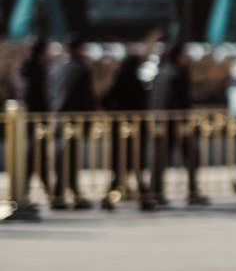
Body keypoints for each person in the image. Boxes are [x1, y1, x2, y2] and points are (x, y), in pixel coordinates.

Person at [148, 43, 208, 206]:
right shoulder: (179, 72)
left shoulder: (161, 71)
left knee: (159, 159)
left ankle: (155, 192)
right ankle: (192, 191)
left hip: (160, 121)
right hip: (177, 123)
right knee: (191, 158)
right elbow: (182, 99)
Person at [47, 34, 96, 209]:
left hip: (57, 117)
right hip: (73, 119)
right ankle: (68, 193)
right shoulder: (80, 68)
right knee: (71, 158)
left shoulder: (56, 67)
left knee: (61, 158)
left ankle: (60, 193)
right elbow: (86, 97)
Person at [101, 50, 154, 209]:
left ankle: (112, 197)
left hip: (120, 132)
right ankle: (142, 197)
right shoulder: (137, 84)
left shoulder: (119, 81)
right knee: (136, 166)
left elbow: (106, 100)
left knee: (119, 169)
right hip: (135, 132)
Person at [16, 37, 50, 199]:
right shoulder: (36, 69)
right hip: (37, 116)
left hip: (29, 116)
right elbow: (40, 95)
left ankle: (30, 187)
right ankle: (44, 188)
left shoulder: (26, 69)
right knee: (37, 152)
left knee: (35, 152)